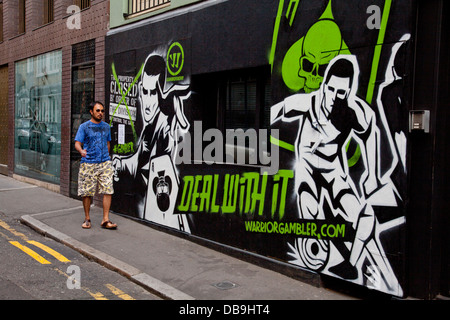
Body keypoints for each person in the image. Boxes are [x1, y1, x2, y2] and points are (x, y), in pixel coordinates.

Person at [75, 101, 117, 230]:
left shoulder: (106, 127)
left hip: (104, 162)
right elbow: (77, 143)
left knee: (108, 190)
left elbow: (108, 143)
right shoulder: (84, 127)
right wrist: (81, 151)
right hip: (88, 163)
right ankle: (87, 219)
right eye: (98, 111)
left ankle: (105, 219)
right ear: (91, 112)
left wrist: (107, 157)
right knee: (87, 192)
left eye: (102, 111)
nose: (100, 113)